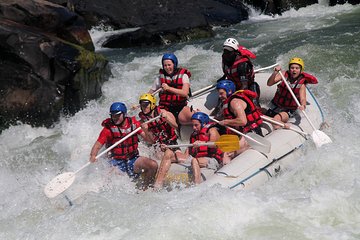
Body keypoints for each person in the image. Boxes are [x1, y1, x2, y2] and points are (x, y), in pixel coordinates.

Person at [89, 102, 158, 189]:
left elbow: (150, 141)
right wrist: (93, 155)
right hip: (115, 162)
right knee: (111, 183)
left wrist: (146, 130)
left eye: (118, 115)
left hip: (133, 159)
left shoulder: (134, 124)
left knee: (153, 165)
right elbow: (97, 145)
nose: (115, 118)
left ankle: (146, 189)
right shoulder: (108, 129)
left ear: (124, 114)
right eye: (113, 115)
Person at [138, 93, 187, 189]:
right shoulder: (142, 122)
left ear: (152, 104)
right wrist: (146, 130)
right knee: (162, 155)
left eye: (146, 104)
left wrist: (167, 119)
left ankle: (158, 183)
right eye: (142, 105)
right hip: (157, 146)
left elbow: (176, 126)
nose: (143, 107)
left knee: (177, 157)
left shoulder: (164, 112)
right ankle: (156, 183)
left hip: (172, 144)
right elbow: (151, 141)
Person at [266, 57, 318, 128]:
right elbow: (269, 83)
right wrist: (275, 73)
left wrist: (303, 106)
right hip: (276, 105)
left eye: (297, 68)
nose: (294, 70)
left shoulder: (301, 84)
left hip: (288, 110)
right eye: (292, 68)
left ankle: (282, 127)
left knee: (276, 119)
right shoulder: (283, 75)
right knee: (260, 112)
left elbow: (303, 98)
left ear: (301, 70)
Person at [149, 53, 194, 125]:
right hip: (165, 108)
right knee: (163, 116)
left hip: (180, 107)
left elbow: (185, 93)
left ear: (174, 64)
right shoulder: (160, 78)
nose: (167, 67)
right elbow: (149, 94)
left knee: (194, 117)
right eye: (165, 65)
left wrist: (169, 88)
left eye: (169, 65)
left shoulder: (184, 76)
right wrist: (139, 104)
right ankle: (177, 132)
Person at [221, 37, 260, 107]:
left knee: (254, 105)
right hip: (234, 85)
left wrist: (234, 96)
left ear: (235, 52)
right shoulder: (225, 58)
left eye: (229, 52)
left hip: (247, 87)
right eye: (225, 50)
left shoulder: (242, 65)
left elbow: (244, 86)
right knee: (221, 102)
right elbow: (227, 71)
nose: (226, 54)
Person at [186, 112, 225, 184]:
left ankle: (196, 186)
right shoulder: (194, 134)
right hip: (200, 160)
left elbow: (213, 144)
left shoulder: (212, 130)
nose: (194, 127)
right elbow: (188, 153)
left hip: (213, 160)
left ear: (203, 124)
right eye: (193, 125)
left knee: (194, 160)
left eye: (196, 125)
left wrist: (202, 143)